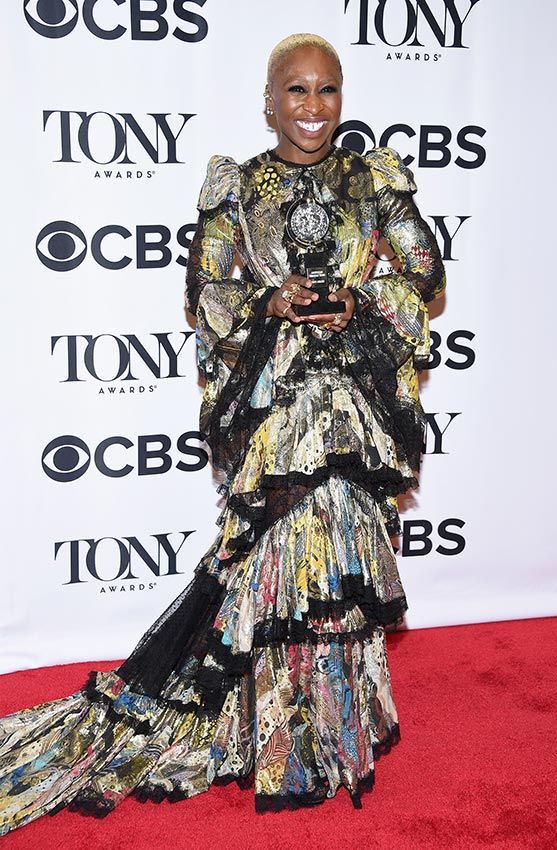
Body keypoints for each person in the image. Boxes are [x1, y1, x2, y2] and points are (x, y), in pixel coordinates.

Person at [0, 33, 446, 833]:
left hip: (350, 406)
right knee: (279, 568)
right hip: (278, 412)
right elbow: (205, 292)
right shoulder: (237, 188)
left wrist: (361, 299)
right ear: (269, 100)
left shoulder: (372, 178)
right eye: (297, 92)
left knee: (337, 571)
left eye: (327, 91)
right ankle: (277, 737)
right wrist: (267, 305)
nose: (313, 108)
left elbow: (425, 273)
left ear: (343, 99)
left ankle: (333, 733)